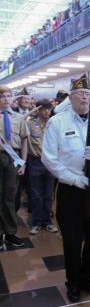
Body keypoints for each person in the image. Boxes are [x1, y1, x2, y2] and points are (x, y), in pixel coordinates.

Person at [42, 74, 90, 302]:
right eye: (79, 94)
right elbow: (49, 159)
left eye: (87, 94)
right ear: (71, 97)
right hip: (71, 190)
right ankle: (73, 281)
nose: (84, 98)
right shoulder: (58, 122)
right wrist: (74, 179)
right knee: (73, 239)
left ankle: (88, 278)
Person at [0, 85, 29, 250]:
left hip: (13, 158)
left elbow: (24, 141)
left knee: (10, 197)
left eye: (8, 96)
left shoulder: (19, 118)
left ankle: (10, 232)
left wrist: (23, 163)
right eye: (2, 96)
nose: (6, 99)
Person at [27, 99, 57, 235]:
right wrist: (31, 111)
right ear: (38, 110)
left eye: (49, 109)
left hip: (51, 162)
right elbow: (17, 122)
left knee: (49, 194)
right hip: (35, 162)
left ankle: (47, 222)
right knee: (36, 195)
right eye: (43, 109)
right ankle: (37, 223)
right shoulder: (30, 124)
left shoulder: (54, 124)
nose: (47, 111)